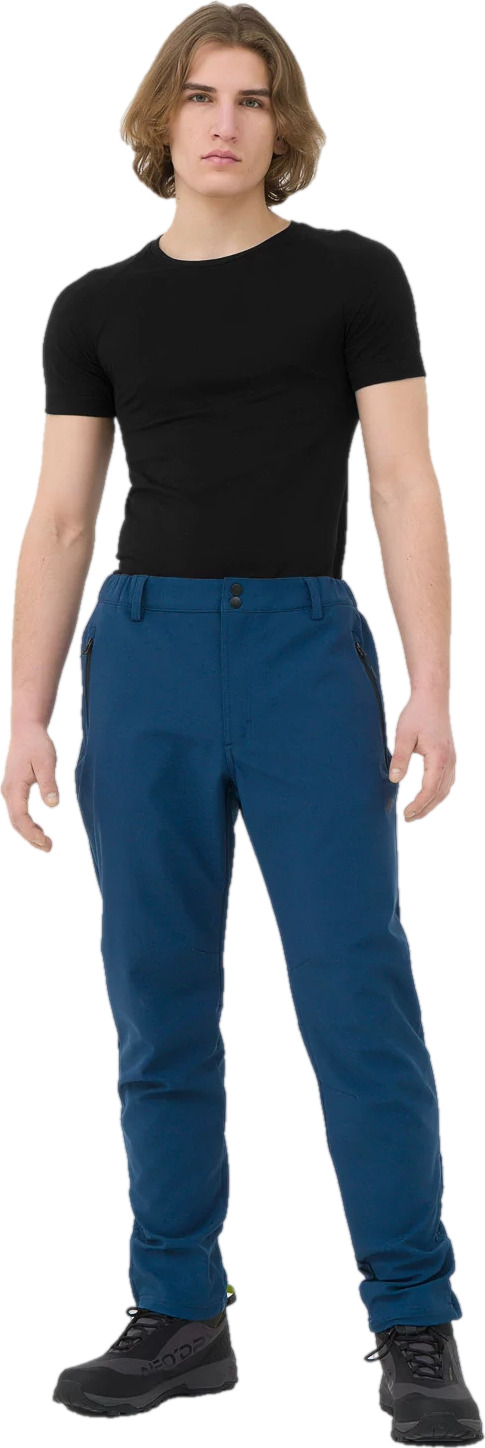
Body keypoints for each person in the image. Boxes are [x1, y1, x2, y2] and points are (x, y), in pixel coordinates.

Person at [2, 3, 482, 1439]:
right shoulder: (94, 306)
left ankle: (413, 1322)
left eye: (254, 99)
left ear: (285, 126)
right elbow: (63, 517)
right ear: (163, 121)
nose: (225, 123)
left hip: (300, 653)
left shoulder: (352, 277)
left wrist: (431, 683)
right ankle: (179, 1313)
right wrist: (24, 711)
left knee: (355, 993)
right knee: (157, 999)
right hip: (144, 652)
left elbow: (401, 481)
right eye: (202, 96)